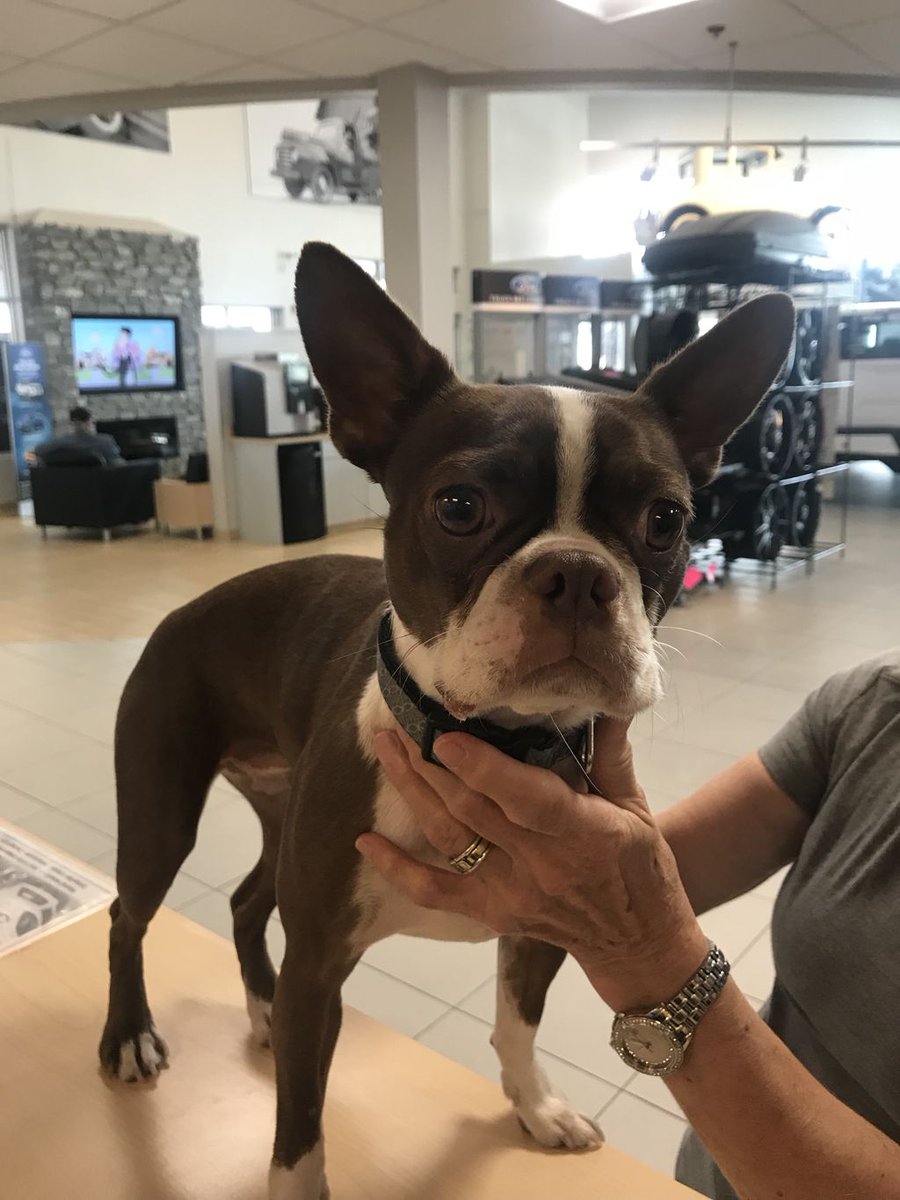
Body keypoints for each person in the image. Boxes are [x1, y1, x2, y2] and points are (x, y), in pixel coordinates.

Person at [357, 652, 900, 1200]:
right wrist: (569, 855)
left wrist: (650, 956)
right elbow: (649, 873)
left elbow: (637, 916)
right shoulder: (877, 704)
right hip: (709, 1173)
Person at [30, 406, 123, 466]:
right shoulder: (105, 441)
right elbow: (117, 465)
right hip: (99, 487)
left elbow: (36, 451)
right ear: (88, 423)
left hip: (68, 489)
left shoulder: (58, 443)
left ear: (71, 424)